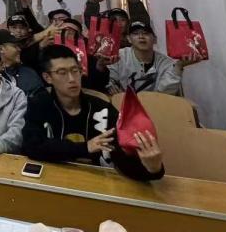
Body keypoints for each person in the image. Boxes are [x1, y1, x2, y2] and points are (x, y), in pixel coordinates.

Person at [21, 44, 165, 182]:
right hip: (52, 180)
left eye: (75, 70)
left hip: (97, 183)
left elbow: (121, 160)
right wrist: (85, 148)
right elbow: (31, 146)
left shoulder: (103, 110)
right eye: (62, 73)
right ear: (47, 77)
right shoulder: (39, 104)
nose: (72, 79)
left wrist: (152, 168)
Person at [108, 21, 184, 95]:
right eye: (136, 33)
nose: (141, 37)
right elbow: (109, 78)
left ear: (155, 39)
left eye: (146, 33)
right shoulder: (119, 56)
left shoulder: (166, 63)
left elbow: (165, 93)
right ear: (129, 39)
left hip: (154, 102)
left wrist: (179, 66)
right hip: (122, 101)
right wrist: (110, 84)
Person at [0, 30, 43, 96]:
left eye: (19, 46)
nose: (19, 49)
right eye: (15, 46)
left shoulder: (29, 73)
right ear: (0, 49)